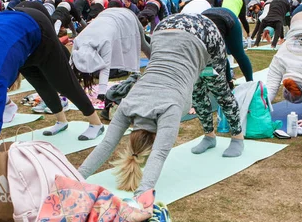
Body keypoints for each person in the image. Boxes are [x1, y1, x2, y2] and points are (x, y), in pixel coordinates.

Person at [78, 13, 244, 200]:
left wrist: (142, 195)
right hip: (164, 28)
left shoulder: (168, 109)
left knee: (220, 89)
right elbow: (107, 144)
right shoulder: (128, 103)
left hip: (203, 32)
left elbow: (158, 153)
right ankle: (209, 137)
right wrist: (75, 178)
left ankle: (237, 138)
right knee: (196, 92)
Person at [0, 3, 104, 177]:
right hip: (12, 29)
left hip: (35, 26)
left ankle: (95, 123)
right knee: (37, 81)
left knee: (62, 81)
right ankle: (61, 121)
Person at [70, 8, 151, 98]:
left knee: (142, 44)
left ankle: (157, 62)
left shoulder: (105, 41)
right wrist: (67, 87)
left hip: (126, 17)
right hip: (105, 16)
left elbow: (105, 67)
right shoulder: (78, 40)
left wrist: (101, 93)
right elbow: (70, 65)